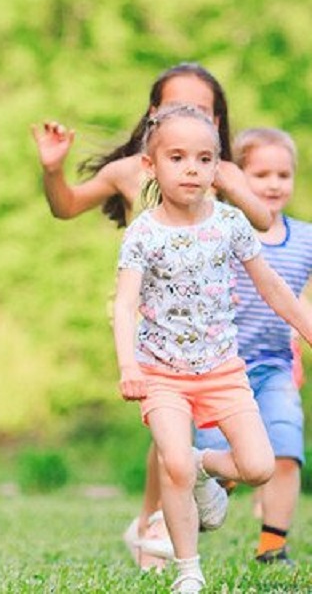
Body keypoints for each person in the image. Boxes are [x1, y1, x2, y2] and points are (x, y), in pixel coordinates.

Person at [31, 62, 272, 569]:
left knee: (187, 443)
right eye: (172, 106)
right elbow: (67, 206)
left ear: (217, 121)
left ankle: (154, 522)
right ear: (152, 115)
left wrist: (231, 181)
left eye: (202, 109)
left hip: (214, 323)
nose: (187, 114)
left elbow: (263, 219)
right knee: (169, 433)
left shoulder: (214, 170)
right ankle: (154, 527)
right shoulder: (130, 172)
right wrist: (53, 170)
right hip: (151, 322)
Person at [112, 104, 312, 593]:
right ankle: (188, 570)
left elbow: (273, 287)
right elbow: (124, 304)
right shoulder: (145, 233)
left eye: (204, 159)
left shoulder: (230, 224)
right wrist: (126, 366)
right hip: (161, 372)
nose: (191, 169)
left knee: (259, 467)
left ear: (218, 168)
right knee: (173, 462)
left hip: (223, 370)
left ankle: (205, 464)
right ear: (151, 165)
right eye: (177, 157)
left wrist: (307, 328)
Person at [192, 127, 311, 567]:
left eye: (284, 174)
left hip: (275, 365)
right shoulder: (220, 229)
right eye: (261, 173)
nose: (274, 184)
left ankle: (272, 545)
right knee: (219, 465)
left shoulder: (305, 238)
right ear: (236, 176)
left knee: (285, 449)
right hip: (219, 368)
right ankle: (183, 526)